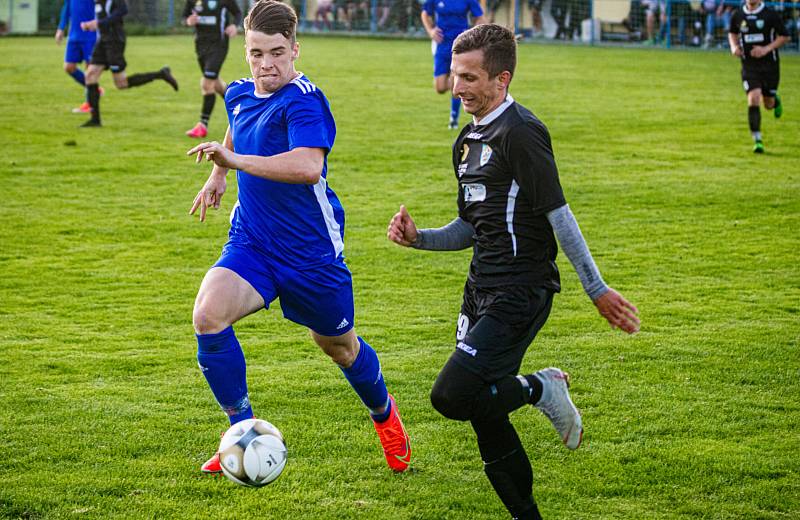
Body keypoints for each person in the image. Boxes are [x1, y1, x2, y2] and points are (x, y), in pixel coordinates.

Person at [387, 24, 639, 519]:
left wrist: (596, 288)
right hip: (479, 290)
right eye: (455, 75)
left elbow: (558, 215)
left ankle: (540, 387)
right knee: (484, 409)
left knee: (452, 395)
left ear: (501, 79)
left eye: (470, 77)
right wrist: (420, 239)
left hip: (521, 291)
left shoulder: (522, 133)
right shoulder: (466, 140)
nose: (457, 87)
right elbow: (471, 226)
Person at [186, 0, 411, 475]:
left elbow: (309, 167)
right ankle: (242, 436)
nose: (266, 64)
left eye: (276, 52)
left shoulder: (305, 100)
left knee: (339, 347)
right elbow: (238, 125)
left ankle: (384, 415)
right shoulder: (241, 92)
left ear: (295, 49)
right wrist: (218, 176)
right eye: (255, 53)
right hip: (253, 242)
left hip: (310, 253)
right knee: (208, 315)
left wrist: (236, 163)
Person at [80, 0, 179, 128]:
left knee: (121, 84)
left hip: (115, 41)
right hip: (102, 41)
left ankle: (161, 74)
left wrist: (99, 23)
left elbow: (122, 10)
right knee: (90, 75)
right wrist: (91, 24)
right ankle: (95, 120)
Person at [728, 0, 789, 153]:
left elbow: (785, 36)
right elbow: (732, 32)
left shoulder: (770, 14)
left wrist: (765, 49)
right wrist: (734, 46)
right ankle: (757, 140)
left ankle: (775, 101)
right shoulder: (738, 14)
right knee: (753, 97)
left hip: (770, 66)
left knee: (768, 104)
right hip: (749, 66)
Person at [420, 0, 485, 129]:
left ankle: (453, 118)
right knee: (440, 88)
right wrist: (431, 31)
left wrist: (472, 35)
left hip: (461, 47)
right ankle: (459, 84)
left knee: (456, 82)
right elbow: (425, 14)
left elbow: (480, 17)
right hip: (442, 45)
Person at [183, 0, 242, 138]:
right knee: (216, 84)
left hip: (219, 45)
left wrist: (234, 25)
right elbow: (184, 17)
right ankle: (241, 105)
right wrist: (188, 21)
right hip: (200, 46)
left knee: (206, 83)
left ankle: (202, 125)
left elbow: (238, 13)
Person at [56, 0, 101, 114]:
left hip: (90, 34)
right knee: (69, 67)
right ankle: (95, 89)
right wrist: (61, 28)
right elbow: (67, 7)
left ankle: (89, 104)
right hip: (74, 35)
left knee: (90, 70)